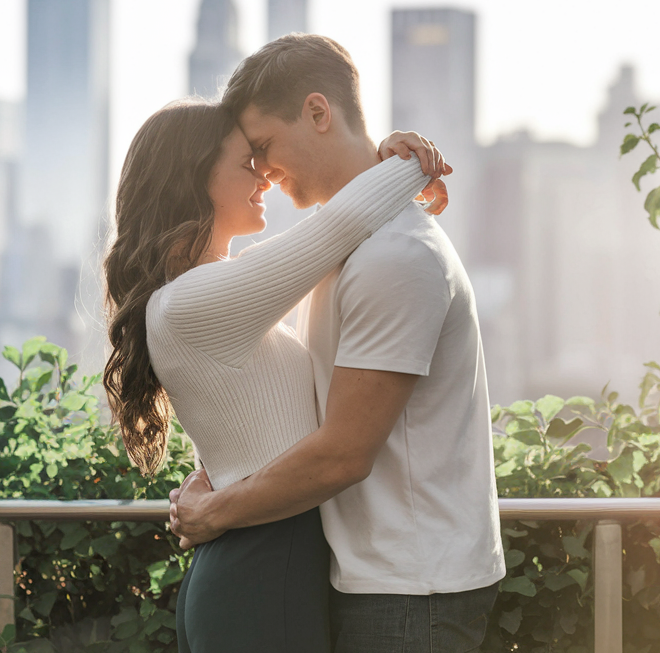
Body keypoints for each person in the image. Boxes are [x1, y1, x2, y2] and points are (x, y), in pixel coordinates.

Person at [168, 33, 506, 653]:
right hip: (371, 575)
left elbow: (344, 453)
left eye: (264, 147)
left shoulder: (395, 256)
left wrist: (217, 512)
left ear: (318, 113)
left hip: (410, 591)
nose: (262, 173)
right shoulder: (342, 249)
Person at [102, 93, 450, 652]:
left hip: (251, 564)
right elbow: (344, 224)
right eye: (248, 162)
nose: (264, 176)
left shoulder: (200, 299)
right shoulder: (198, 301)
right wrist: (411, 162)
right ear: (195, 179)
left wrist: (379, 159)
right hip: (265, 566)